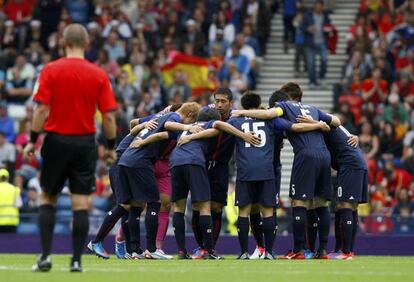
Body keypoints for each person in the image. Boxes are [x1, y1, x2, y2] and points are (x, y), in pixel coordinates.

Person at [23, 24, 117, 273]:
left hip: (55, 141)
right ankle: (76, 261)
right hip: (84, 143)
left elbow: (40, 109)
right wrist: (110, 147)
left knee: (48, 198)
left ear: (63, 43)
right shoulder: (98, 74)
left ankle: (44, 257)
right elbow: (108, 117)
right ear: (87, 44)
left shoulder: (50, 70)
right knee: (80, 203)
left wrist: (33, 139)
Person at [232, 83, 340, 259]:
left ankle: (298, 250)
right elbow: (336, 121)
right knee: (321, 204)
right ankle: (321, 250)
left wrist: (242, 112)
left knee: (299, 203)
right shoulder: (312, 108)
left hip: (305, 156)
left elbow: (275, 118)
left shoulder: (282, 108)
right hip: (324, 156)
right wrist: (320, 124)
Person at [117, 102, 201, 259]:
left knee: (135, 206)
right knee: (154, 203)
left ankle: (133, 249)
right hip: (141, 161)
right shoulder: (173, 117)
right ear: (189, 115)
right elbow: (168, 125)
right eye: (192, 121)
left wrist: (142, 137)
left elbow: (155, 133)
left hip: (128, 159)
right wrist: (187, 128)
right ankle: (151, 248)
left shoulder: (159, 116)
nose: (191, 125)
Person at [302, 0, 331, 88]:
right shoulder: (308, 16)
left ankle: (322, 78)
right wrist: (307, 29)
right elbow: (301, 27)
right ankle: (312, 81)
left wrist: (329, 30)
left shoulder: (325, 16)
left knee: (324, 60)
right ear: (314, 6)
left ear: (322, 7)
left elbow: (329, 26)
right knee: (311, 63)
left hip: (322, 42)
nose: (318, 8)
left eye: (320, 6)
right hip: (311, 43)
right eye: (317, 6)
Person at [0, 169, 21, 233]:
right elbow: (19, 204)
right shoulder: (14, 189)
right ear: (8, 178)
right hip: (12, 221)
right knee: (11, 242)